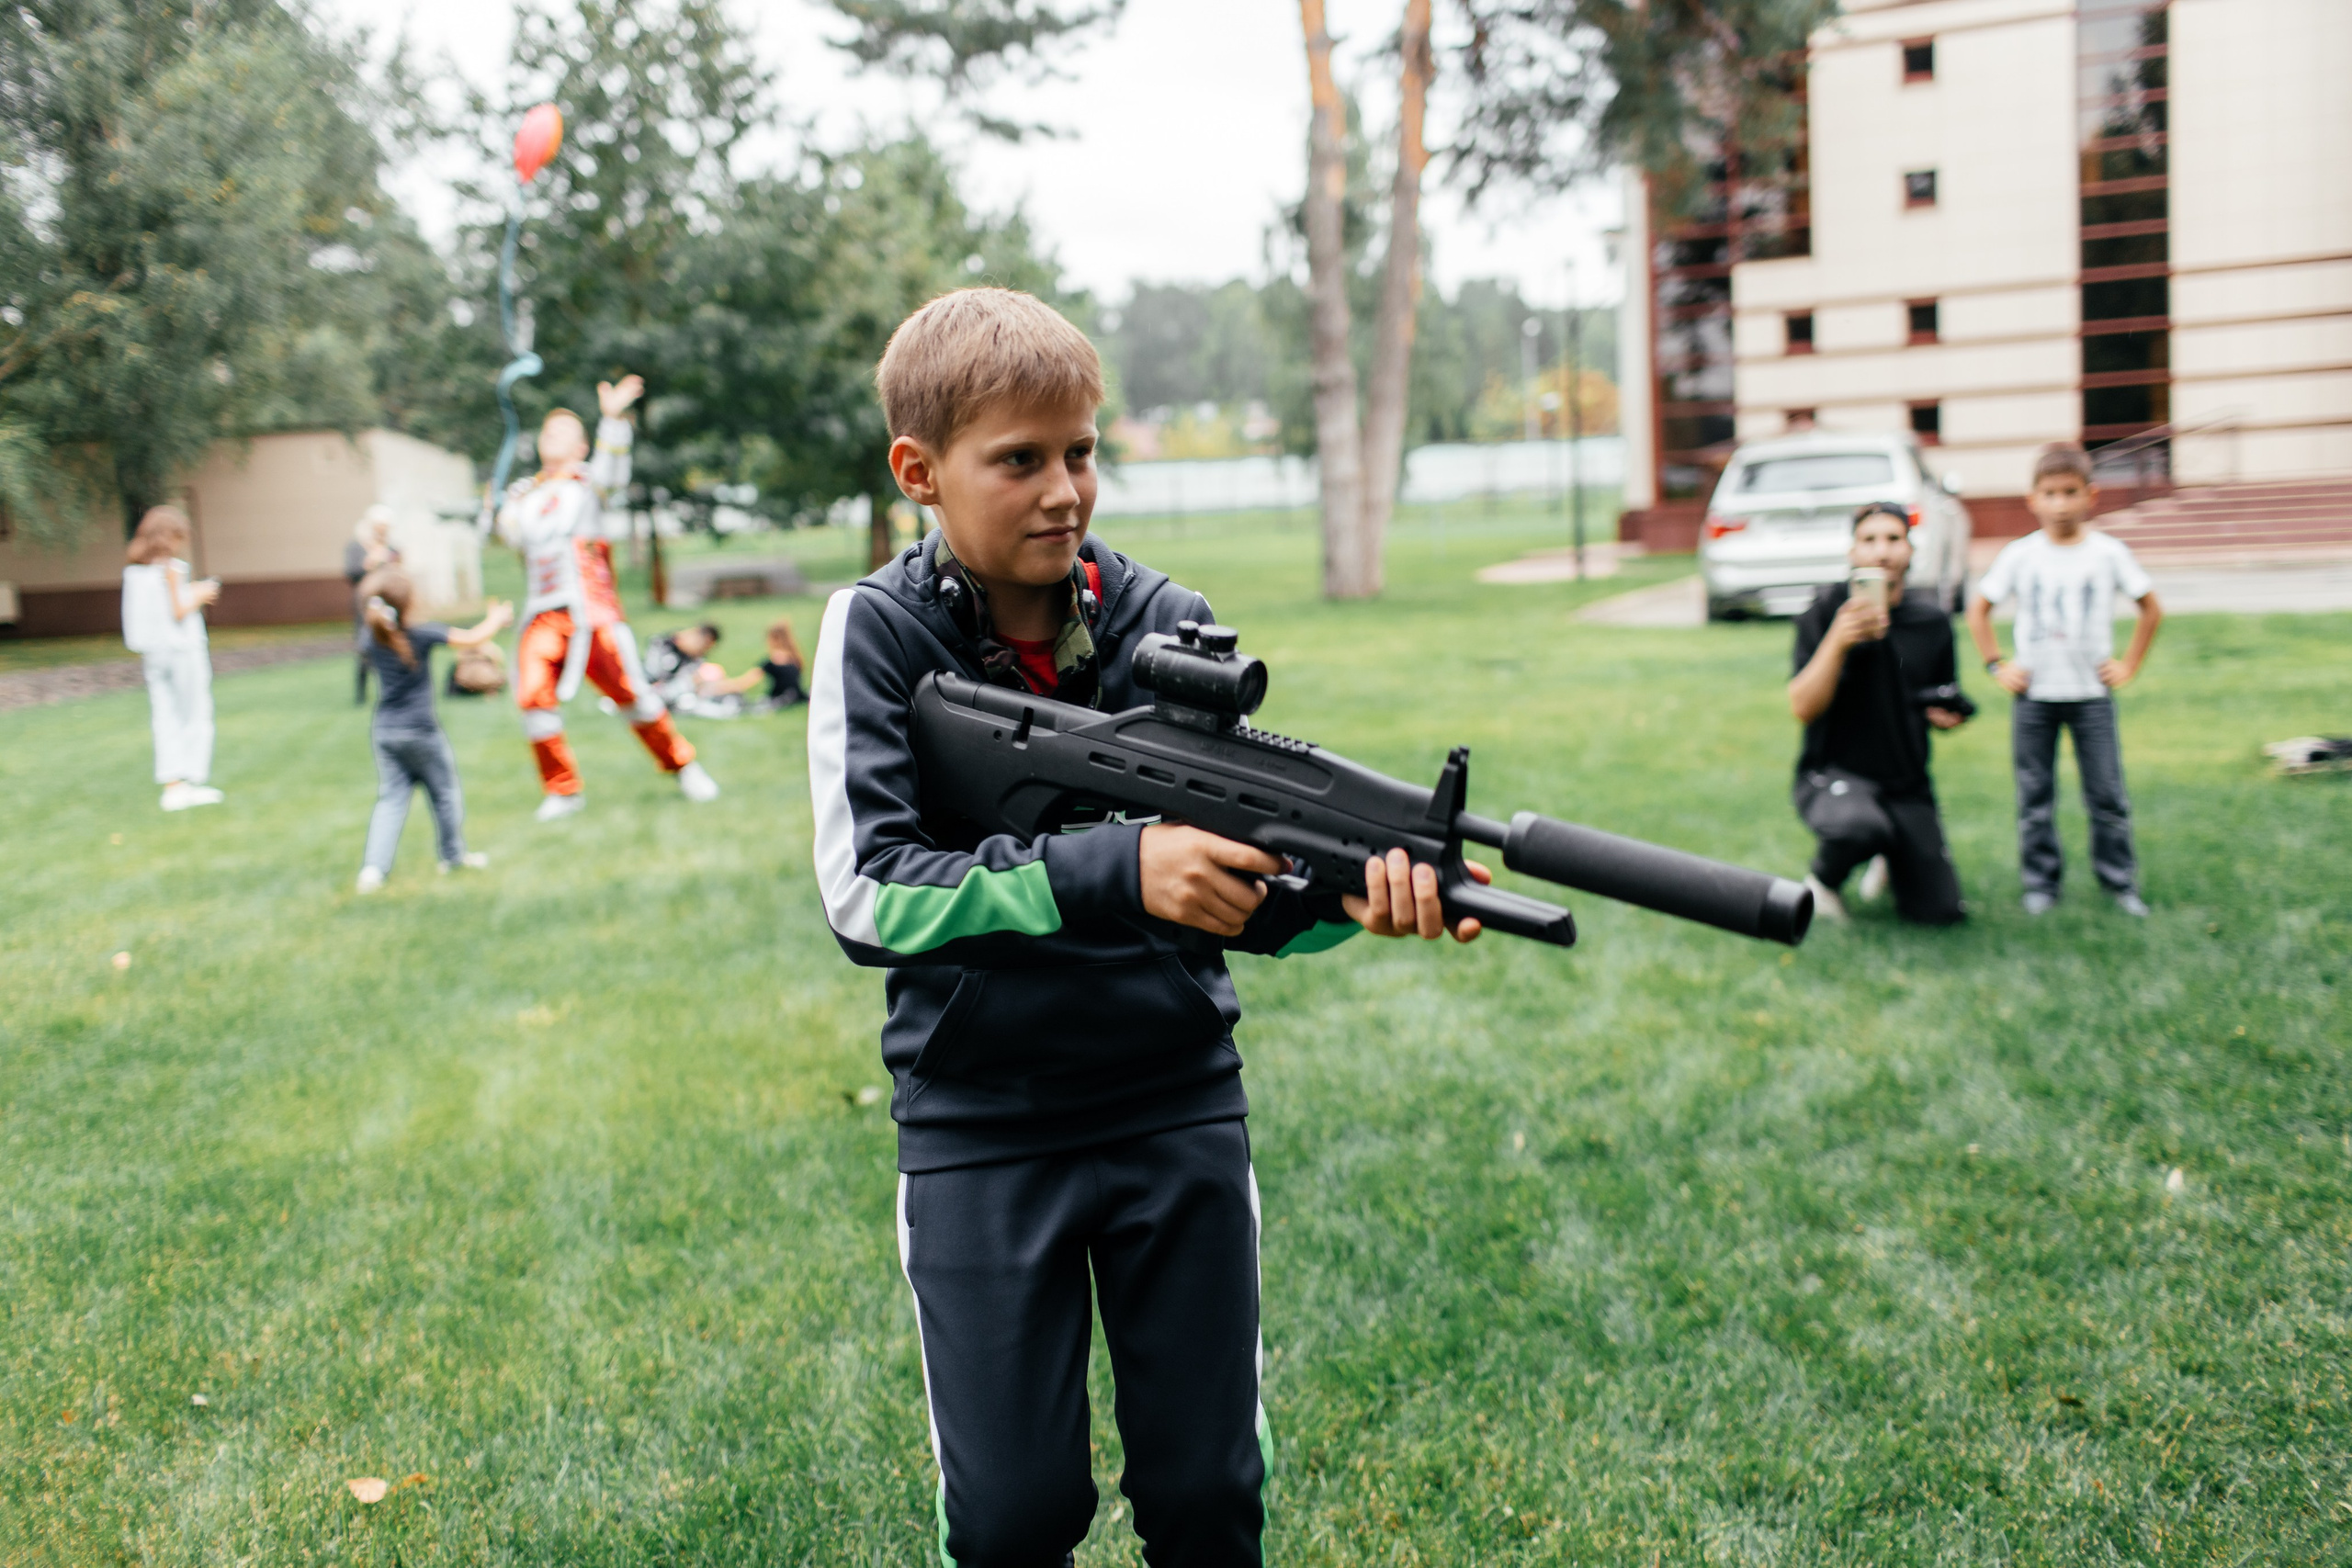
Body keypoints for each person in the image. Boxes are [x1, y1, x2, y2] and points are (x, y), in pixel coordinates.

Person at [808, 288, 1489, 1567]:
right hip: (980, 1125)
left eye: (1080, 450)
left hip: (1173, 1101)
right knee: (1011, 1516)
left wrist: (1352, 896)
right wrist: (1116, 868)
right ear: (920, 471)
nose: (1065, 489)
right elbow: (871, 891)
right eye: (1019, 459)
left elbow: (1245, 891)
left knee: (1207, 1495)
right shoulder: (881, 634)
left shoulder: (1166, 624)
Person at [494, 374, 718, 819]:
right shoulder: (526, 495)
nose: (551, 436)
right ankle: (562, 790)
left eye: (564, 431)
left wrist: (613, 421)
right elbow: (509, 536)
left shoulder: (588, 486)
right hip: (542, 613)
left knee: (633, 695)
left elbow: (613, 473)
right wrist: (500, 507)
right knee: (532, 697)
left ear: (581, 446)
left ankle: (682, 764)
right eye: (547, 430)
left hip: (592, 612)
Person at [1967, 443, 2164, 917]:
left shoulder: (2108, 553)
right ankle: (2041, 885)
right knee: (2035, 797)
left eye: (2070, 492)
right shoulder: (2021, 555)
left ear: (2090, 495)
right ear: (2033, 499)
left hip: (2091, 696)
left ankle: (2119, 883)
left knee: (2107, 796)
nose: (2060, 504)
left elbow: (2150, 607)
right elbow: (1979, 609)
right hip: (2035, 697)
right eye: (2050, 493)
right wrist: (1996, 664)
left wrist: (2129, 664)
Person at [1787, 503, 1973, 924]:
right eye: (1868, 540)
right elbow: (1802, 707)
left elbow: (1938, 695)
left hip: (1906, 782)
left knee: (1940, 912)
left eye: (1893, 539)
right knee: (1859, 826)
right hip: (1836, 773)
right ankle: (1822, 883)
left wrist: (1945, 715)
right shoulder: (1825, 611)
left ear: (1910, 550)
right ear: (1852, 552)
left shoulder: (1931, 622)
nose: (1881, 551)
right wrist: (1838, 641)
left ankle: (1894, 853)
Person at [354, 570, 512, 894]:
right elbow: (472, 639)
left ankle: (372, 871)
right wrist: (496, 618)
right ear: (407, 603)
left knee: (391, 800)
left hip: (385, 732)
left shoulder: (371, 638)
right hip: (421, 732)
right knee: (444, 793)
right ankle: (453, 857)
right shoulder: (420, 635)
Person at [120, 506, 223, 812]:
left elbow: (156, 609)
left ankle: (172, 786)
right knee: (194, 713)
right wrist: (200, 594)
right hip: (183, 650)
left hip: (154, 652)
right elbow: (178, 611)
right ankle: (191, 781)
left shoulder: (136, 569)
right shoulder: (172, 567)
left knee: (164, 716)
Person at [345, 505, 400, 704]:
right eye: (379, 526)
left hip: (389, 601)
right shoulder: (357, 547)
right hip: (366, 604)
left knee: (391, 644)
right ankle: (361, 695)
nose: (382, 531)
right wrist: (370, 562)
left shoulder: (391, 547)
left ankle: (388, 689)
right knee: (365, 647)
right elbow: (351, 574)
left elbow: (399, 569)